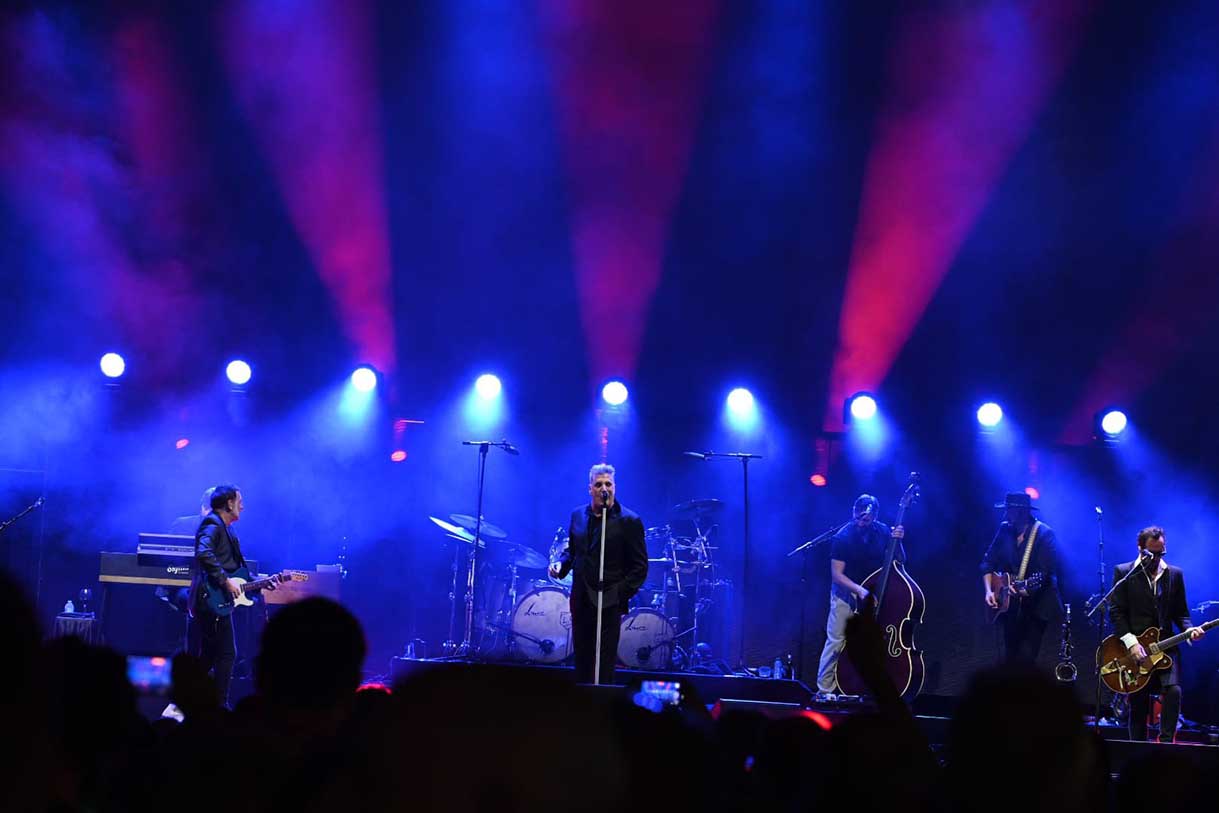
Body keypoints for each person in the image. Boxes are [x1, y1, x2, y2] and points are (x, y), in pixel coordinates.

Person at [550, 464, 648, 684]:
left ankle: (602, 700)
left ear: (614, 487)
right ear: (590, 488)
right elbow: (573, 551)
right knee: (582, 656)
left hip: (609, 600)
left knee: (604, 661)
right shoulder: (578, 515)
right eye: (598, 484)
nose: (604, 488)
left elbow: (640, 567)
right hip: (581, 597)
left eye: (608, 484)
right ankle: (582, 699)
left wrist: (618, 594)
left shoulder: (629, 521)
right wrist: (561, 565)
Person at [1109, 526, 1205, 743]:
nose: (1156, 558)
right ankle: (1137, 747)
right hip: (1136, 650)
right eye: (1151, 553)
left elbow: (1181, 613)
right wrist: (1131, 643)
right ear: (1140, 548)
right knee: (1139, 700)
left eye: (1161, 553)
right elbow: (1117, 612)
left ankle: (1166, 744)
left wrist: (1189, 630)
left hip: (1166, 647)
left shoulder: (1174, 574)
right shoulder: (1124, 572)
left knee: (1173, 692)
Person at [188, 484, 269, 707]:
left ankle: (188, 699)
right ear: (229, 503)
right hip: (210, 599)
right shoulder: (213, 523)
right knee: (226, 654)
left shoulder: (227, 529)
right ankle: (219, 705)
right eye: (239, 501)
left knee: (210, 655)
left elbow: (235, 571)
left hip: (218, 600)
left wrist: (260, 583)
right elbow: (204, 553)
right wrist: (224, 581)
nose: (243, 506)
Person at [816, 494, 906, 695]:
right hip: (846, 592)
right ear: (853, 511)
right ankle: (824, 690)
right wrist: (859, 590)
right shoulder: (843, 537)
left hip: (872, 593)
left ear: (875, 516)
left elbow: (901, 560)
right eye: (859, 513)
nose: (862, 519)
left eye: (867, 516)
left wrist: (898, 541)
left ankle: (864, 689)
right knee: (837, 639)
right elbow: (836, 575)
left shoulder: (883, 531)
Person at [980, 492, 1062, 664]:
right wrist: (989, 591)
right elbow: (988, 562)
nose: (1006, 514)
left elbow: (1044, 575)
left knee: (1026, 658)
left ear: (1022, 512)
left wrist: (1022, 589)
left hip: (1037, 605)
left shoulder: (1044, 534)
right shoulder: (1005, 529)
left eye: (1009, 510)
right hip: (1010, 604)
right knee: (1010, 655)